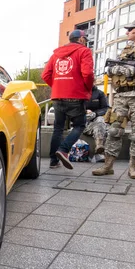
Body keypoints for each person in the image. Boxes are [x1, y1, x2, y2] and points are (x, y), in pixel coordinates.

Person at [93, 19, 135, 179]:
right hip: (121, 96)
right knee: (114, 130)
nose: (127, 32)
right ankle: (107, 166)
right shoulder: (127, 49)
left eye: (130, 29)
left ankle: (133, 167)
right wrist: (116, 69)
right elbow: (115, 67)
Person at [42, 29, 95, 169]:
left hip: (58, 96)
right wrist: (87, 89)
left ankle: (53, 161)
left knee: (57, 129)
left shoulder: (56, 54)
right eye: (85, 40)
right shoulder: (84, 51)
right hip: (76, 96)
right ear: (81, 40)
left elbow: (46, 75)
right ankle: (64, 150)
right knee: (79, 125)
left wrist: (58, 86)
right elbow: (88, 73)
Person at [84, 85, 110, 161]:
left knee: (100, 121)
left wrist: (95, 114)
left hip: (96, 122)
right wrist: (85, 112)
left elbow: (105, 108)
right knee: (102, 126)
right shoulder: (78, 92)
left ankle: (99, 145)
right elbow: (74, 107)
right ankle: (100, 149)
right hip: (82, 122)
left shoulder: (100, 93)